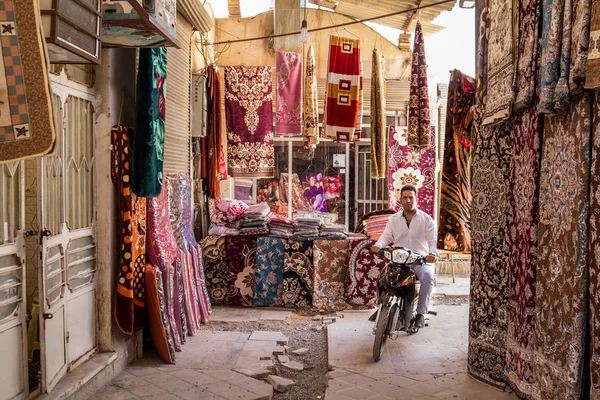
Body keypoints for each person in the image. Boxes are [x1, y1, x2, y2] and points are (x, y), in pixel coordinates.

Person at [370, 185, 438, 328]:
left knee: (428, 277)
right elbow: (386, 236)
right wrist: (378, 245)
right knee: (383, 278)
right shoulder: (394, 219)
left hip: (420, 261)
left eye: (411, 197)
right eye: (405, 197)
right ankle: (381, 307)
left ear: (416, 199)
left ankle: (420, 314)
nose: (408, 200)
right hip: (399, 261)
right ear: (400, 200)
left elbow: (432, 241)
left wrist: (432, 254)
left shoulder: (426, 219)